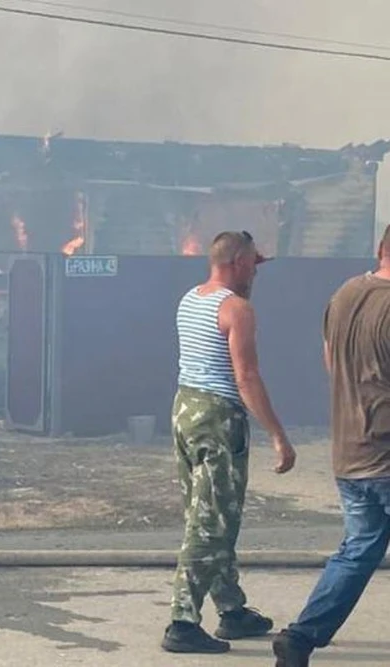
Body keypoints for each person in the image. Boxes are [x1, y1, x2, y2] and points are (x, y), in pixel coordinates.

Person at [162, 230, 297, 654]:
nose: (256, 272)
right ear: (237, 261)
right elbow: (246, 378)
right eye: (254, 263)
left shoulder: (190, 299)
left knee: (205, 514)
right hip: (219, 418)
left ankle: (232, 610)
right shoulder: (237, 309)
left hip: (185, 411)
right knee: (212, 523)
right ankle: (182, 623)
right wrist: (279, 436)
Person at [272, 224, 390, 666]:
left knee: (359, 548)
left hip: (349, 451)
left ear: (380, 249)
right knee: (359, 548)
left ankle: (300, 638)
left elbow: (329, 359)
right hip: (386, 452)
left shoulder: (344, 294)